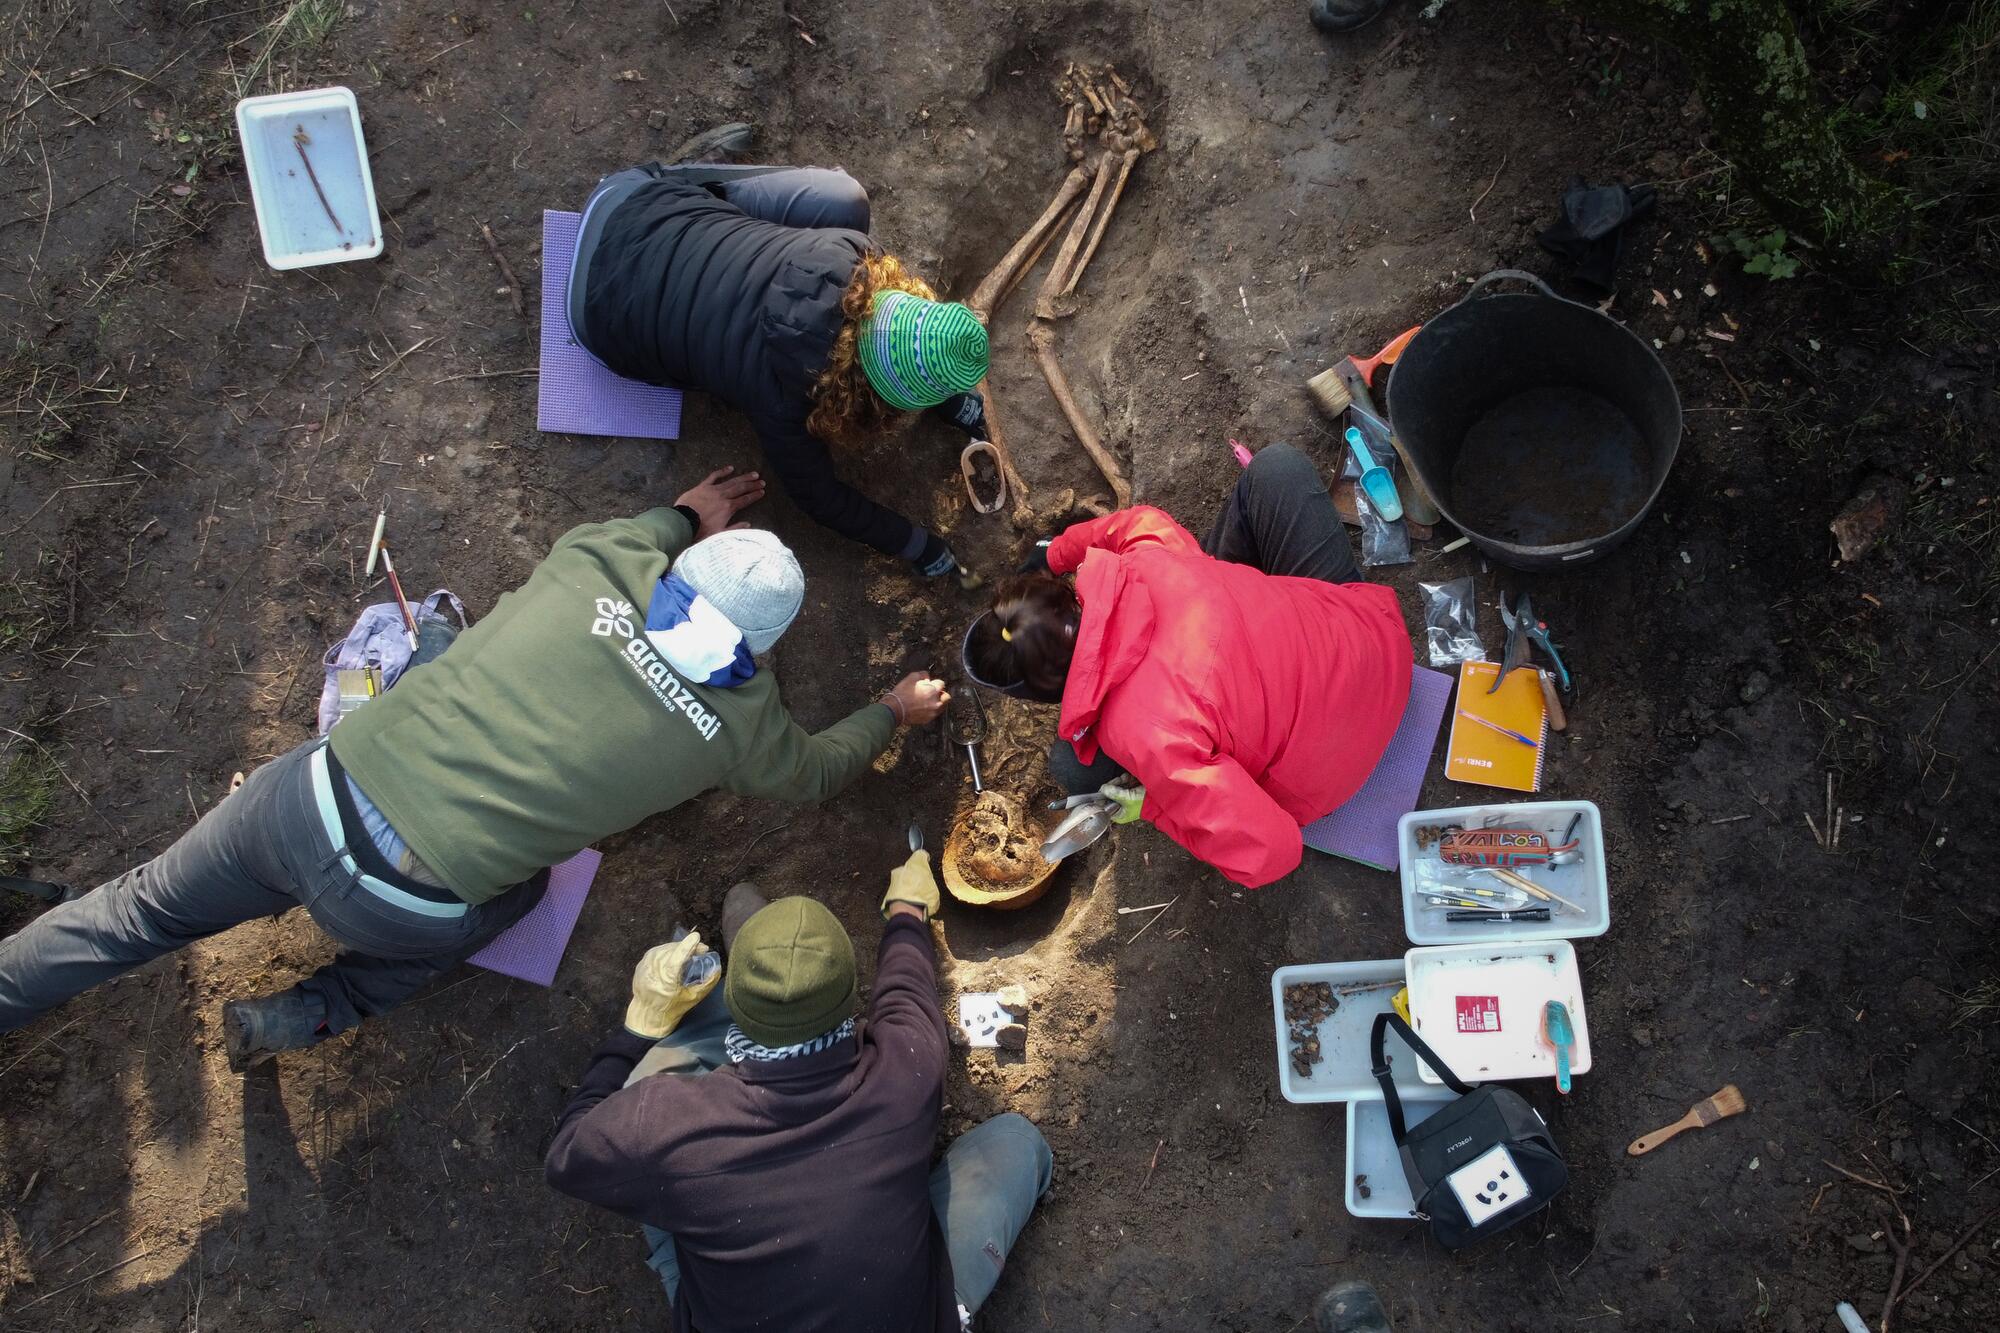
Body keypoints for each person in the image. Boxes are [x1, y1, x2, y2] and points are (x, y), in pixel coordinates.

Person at [0, 466, 950, 1067]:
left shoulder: (600, 560)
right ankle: (315, 1010)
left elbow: (655, 530)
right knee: (521, 894)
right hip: (407, 904)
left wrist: (687, 510)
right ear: (765, 646)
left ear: (685, 567)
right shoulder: (744, 725)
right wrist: (890, 710)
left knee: (132, 912)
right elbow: (822, 771)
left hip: (305, 803)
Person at [544, 844, 1053, 1333]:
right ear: (851, 994)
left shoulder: (664, 1126)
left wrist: (640, 1026)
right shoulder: (905, 1071)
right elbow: (906, 991)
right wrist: (906, 908)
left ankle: (723, 983)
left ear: (738, 1010)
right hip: (913, 1312)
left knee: (656, 1092)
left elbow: (568, 1154)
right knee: (1016, 1143)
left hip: (719, 1281)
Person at [963, 443, 1412, 888]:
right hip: (1371, 640)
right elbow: (1140, 521)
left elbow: (1274, 852)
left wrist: (1158, 806)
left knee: (1072, 767)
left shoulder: (1146, 734)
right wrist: (1057, 552)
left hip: (1331, 761)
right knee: (1276, 469)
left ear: (1043, 691)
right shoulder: (1146, 561)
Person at [567, 128, 990, 577]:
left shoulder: (851, 250)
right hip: (596, 315)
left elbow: (906, 346)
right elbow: (820, 498)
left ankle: (709, 193)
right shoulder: (784, 394)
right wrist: (916, 545)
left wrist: (946, 393)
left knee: (845, 199)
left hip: (636, 201)